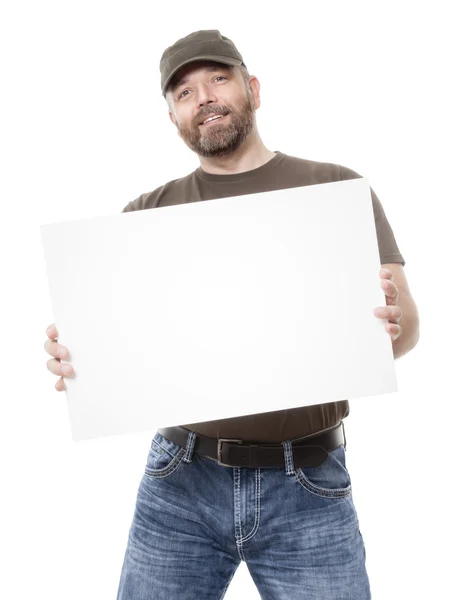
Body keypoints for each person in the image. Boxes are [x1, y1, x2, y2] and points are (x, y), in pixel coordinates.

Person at [44, 30, 420, 600]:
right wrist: (76, 357)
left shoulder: (335, 190)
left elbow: (406, 330)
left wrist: (390, 325)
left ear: (254, 89)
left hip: (309, 484)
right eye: (185, 92)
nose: (205, 98)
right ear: (172, 115)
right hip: (180, 482)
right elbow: (115, 346)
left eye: (218, 79)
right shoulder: (145, 214)